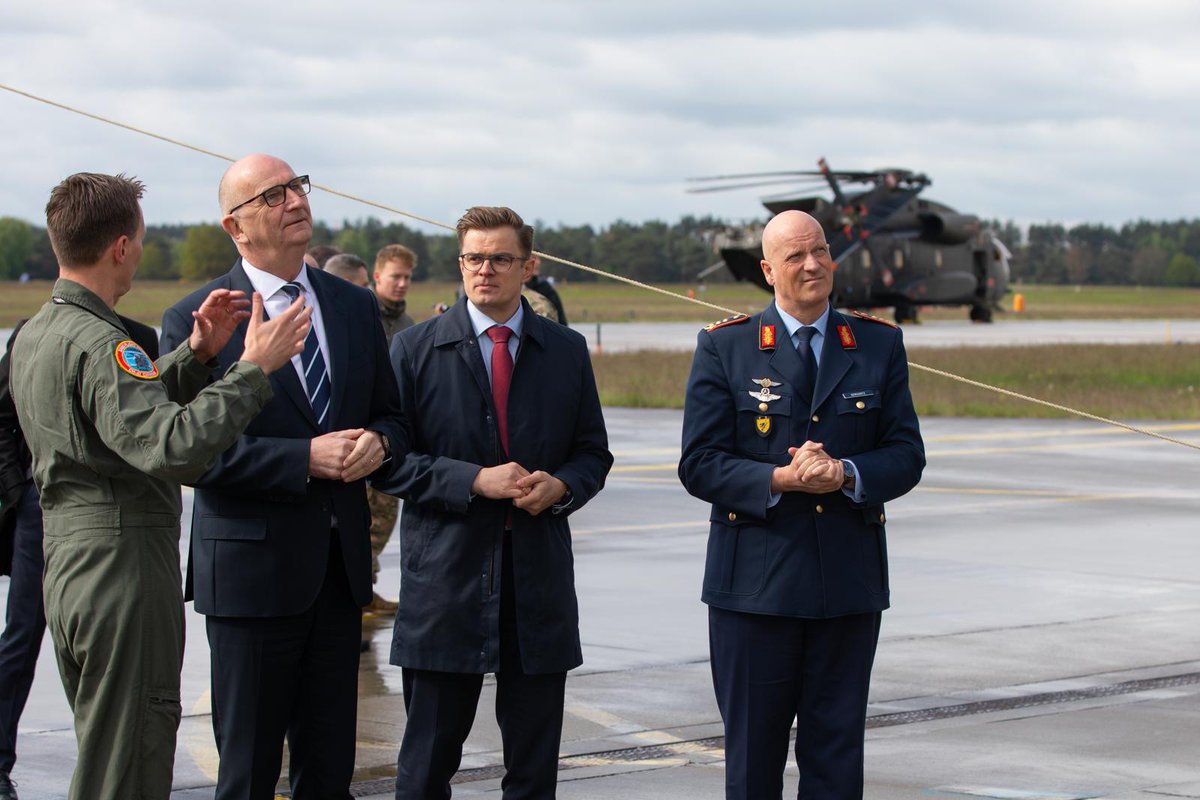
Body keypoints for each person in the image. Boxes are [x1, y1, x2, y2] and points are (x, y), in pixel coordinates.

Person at [10, 172, 310, 800]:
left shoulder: (38, 331)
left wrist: (194, 356)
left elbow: (112, 422)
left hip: (69, 565)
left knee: (106, 746)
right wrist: (252, 369)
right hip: (121, 569)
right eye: (139, 240)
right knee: (130, 760)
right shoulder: (102, 342)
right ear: (121, 246)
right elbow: (169, 445)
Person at [161, 154, 406, 800]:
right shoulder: (200, 321)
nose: (295, 201)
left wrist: (379, 442)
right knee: (247, 774)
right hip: (249, 582)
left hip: (337, 575)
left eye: (296, 187)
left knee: (329, 775)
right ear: (235, 228)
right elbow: (193, 454)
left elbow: (393, 414)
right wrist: (304, 459)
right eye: (272, 196)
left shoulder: (354, 308)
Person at [678, 209, 925, 799]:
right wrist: (781, 478)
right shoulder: (726, 347)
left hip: (846, 587)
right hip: (754, 594)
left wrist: (845, 473)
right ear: (768, 270)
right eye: (795, 256)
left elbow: (906, 453)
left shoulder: (877, 343)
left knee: (837, 761)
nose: (812, 264)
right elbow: (700, 462)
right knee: (753, 763)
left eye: (819, 251)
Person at [377, 206, 612, 799]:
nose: (485, 270)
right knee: (427, 763)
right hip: (446, 582)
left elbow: (592, 454)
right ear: (460, 264)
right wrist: (473, 481)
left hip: (537, 580)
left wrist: (563, 487)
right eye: (473, 258)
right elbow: (389, 463)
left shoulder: (565, 350)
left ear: (528, 267)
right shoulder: (414, 350)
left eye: (500, 258)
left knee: (534, 771)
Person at [0, 313, 158, 800]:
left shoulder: (140, 338)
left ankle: (104, 763)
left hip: (116, 518)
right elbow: (3, 417)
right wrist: (20, 490)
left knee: (113, 649)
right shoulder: (34, 329)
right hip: (44, 507)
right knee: (23, 633)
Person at [524, 255, 567, 324]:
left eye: (539, 258)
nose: (538, 262)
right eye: (533, 257)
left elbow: (562, 324)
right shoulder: (512, 289)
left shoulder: (546, 288)